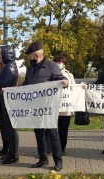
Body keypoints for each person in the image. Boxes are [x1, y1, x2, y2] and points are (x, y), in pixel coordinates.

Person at [23, 41, 68, 171]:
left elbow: (61, 78)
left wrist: (65, 82)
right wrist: (10, 91)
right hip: (35, 107)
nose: (28, 58)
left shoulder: (51, 66)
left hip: (48, 107)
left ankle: (58, 161)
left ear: (36, 55)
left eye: (29, 55)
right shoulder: (30, 68)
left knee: (52, 133)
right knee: (39, 134)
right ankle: (42, 159)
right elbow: (26, 85)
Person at [50, 55, 75, 156]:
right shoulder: (50, 74)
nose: (58, 64)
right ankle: (51, 148)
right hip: (53, 107)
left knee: (63, 129)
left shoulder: (69, 75)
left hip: (65, 108)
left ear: (64, 64)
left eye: (60, 63)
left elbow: (74, 88)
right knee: (51, 129)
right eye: (56, 62)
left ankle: (62, 148)